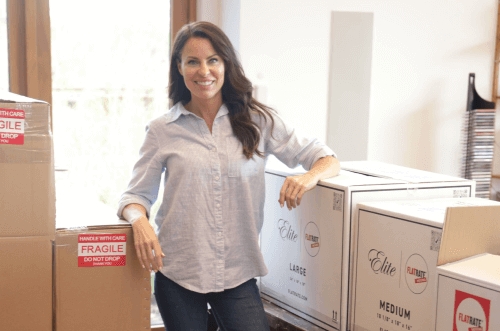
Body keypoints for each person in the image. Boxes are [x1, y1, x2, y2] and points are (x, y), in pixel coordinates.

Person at [117, 21, 340, 331]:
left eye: (213, 60)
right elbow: (134, 196)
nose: (203, 70)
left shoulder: (258, 121)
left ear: (225, 64)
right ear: (179, 68)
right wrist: (139, 221)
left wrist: (309, 176)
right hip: (178, 274)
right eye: (192, 61)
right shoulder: (162, 131)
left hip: (237, 273)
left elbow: (326, 157)